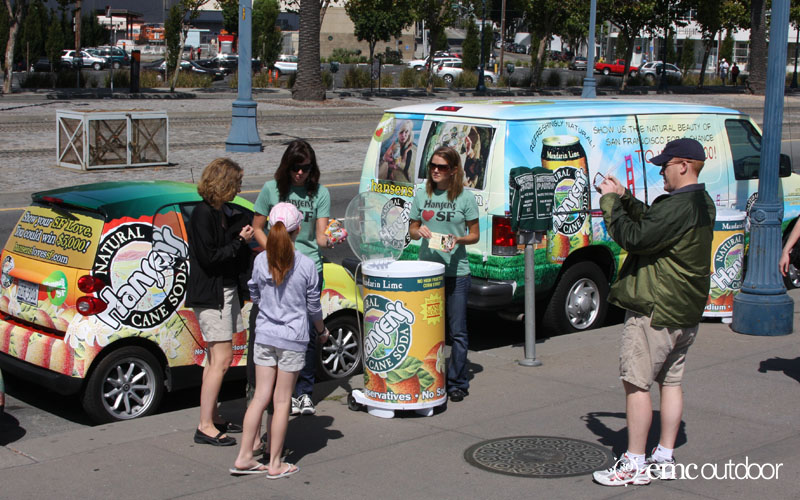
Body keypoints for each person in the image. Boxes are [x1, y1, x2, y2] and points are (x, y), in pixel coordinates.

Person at [592, 138, 715, 486]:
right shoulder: (700, 201)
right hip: (685, 310)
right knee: (672, 382)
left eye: (665, 164)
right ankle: (664, 454)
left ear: (683, 165)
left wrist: (610, 202)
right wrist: (627, 197)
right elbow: (655, 223)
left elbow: (635, 237)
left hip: (656, 309)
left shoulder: (679, 206)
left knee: (637, 383)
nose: (660, 170)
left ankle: (634, 463)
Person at [230, 203, 329, 478]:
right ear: (297, 230)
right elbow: (313, 309)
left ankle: (244, 456)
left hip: (265, 335)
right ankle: (275, 463)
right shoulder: (306, 265)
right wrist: (321, 332)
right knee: (282, 400)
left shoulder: (261, 260)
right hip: (293, 338)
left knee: (259, 397)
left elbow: (256, 296)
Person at [252, 139, 333, 421]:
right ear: (287, 167)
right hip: (277, 267)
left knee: (309, 332)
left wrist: (331, 238)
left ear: (313, 169)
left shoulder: (320, 192)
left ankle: (304, 392)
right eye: (295, 168)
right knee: (275, 331)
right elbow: (257, 226)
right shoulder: (271, 189)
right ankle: (277, 393)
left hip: (308, 267)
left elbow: (320, 237)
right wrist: (273, 252)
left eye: (306, 168)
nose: (300, 173)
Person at [187, 158, 255, 446]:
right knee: (223, 359)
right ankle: (204, 425)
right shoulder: (204, 214)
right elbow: (210, 257)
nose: (238, 188)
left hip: (223, 292)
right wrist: (239, 241)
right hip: (213, 295)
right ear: (224, 183)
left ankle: (211, 416)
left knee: (215, 359)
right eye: (236, 183)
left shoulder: (220, 211)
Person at [408, 146, 480, 403]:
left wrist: (458, 239)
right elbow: (413, 229)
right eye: (433, 166)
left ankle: (457, 382)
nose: (436, 171)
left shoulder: (464, 198)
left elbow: (475, 235)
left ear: (454, 170)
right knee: (428, 329)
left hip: (457, 273)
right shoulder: (422, 194)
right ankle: (428, 379)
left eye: (442, 167)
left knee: (457, 331)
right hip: (428, 273)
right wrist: (420, 232)